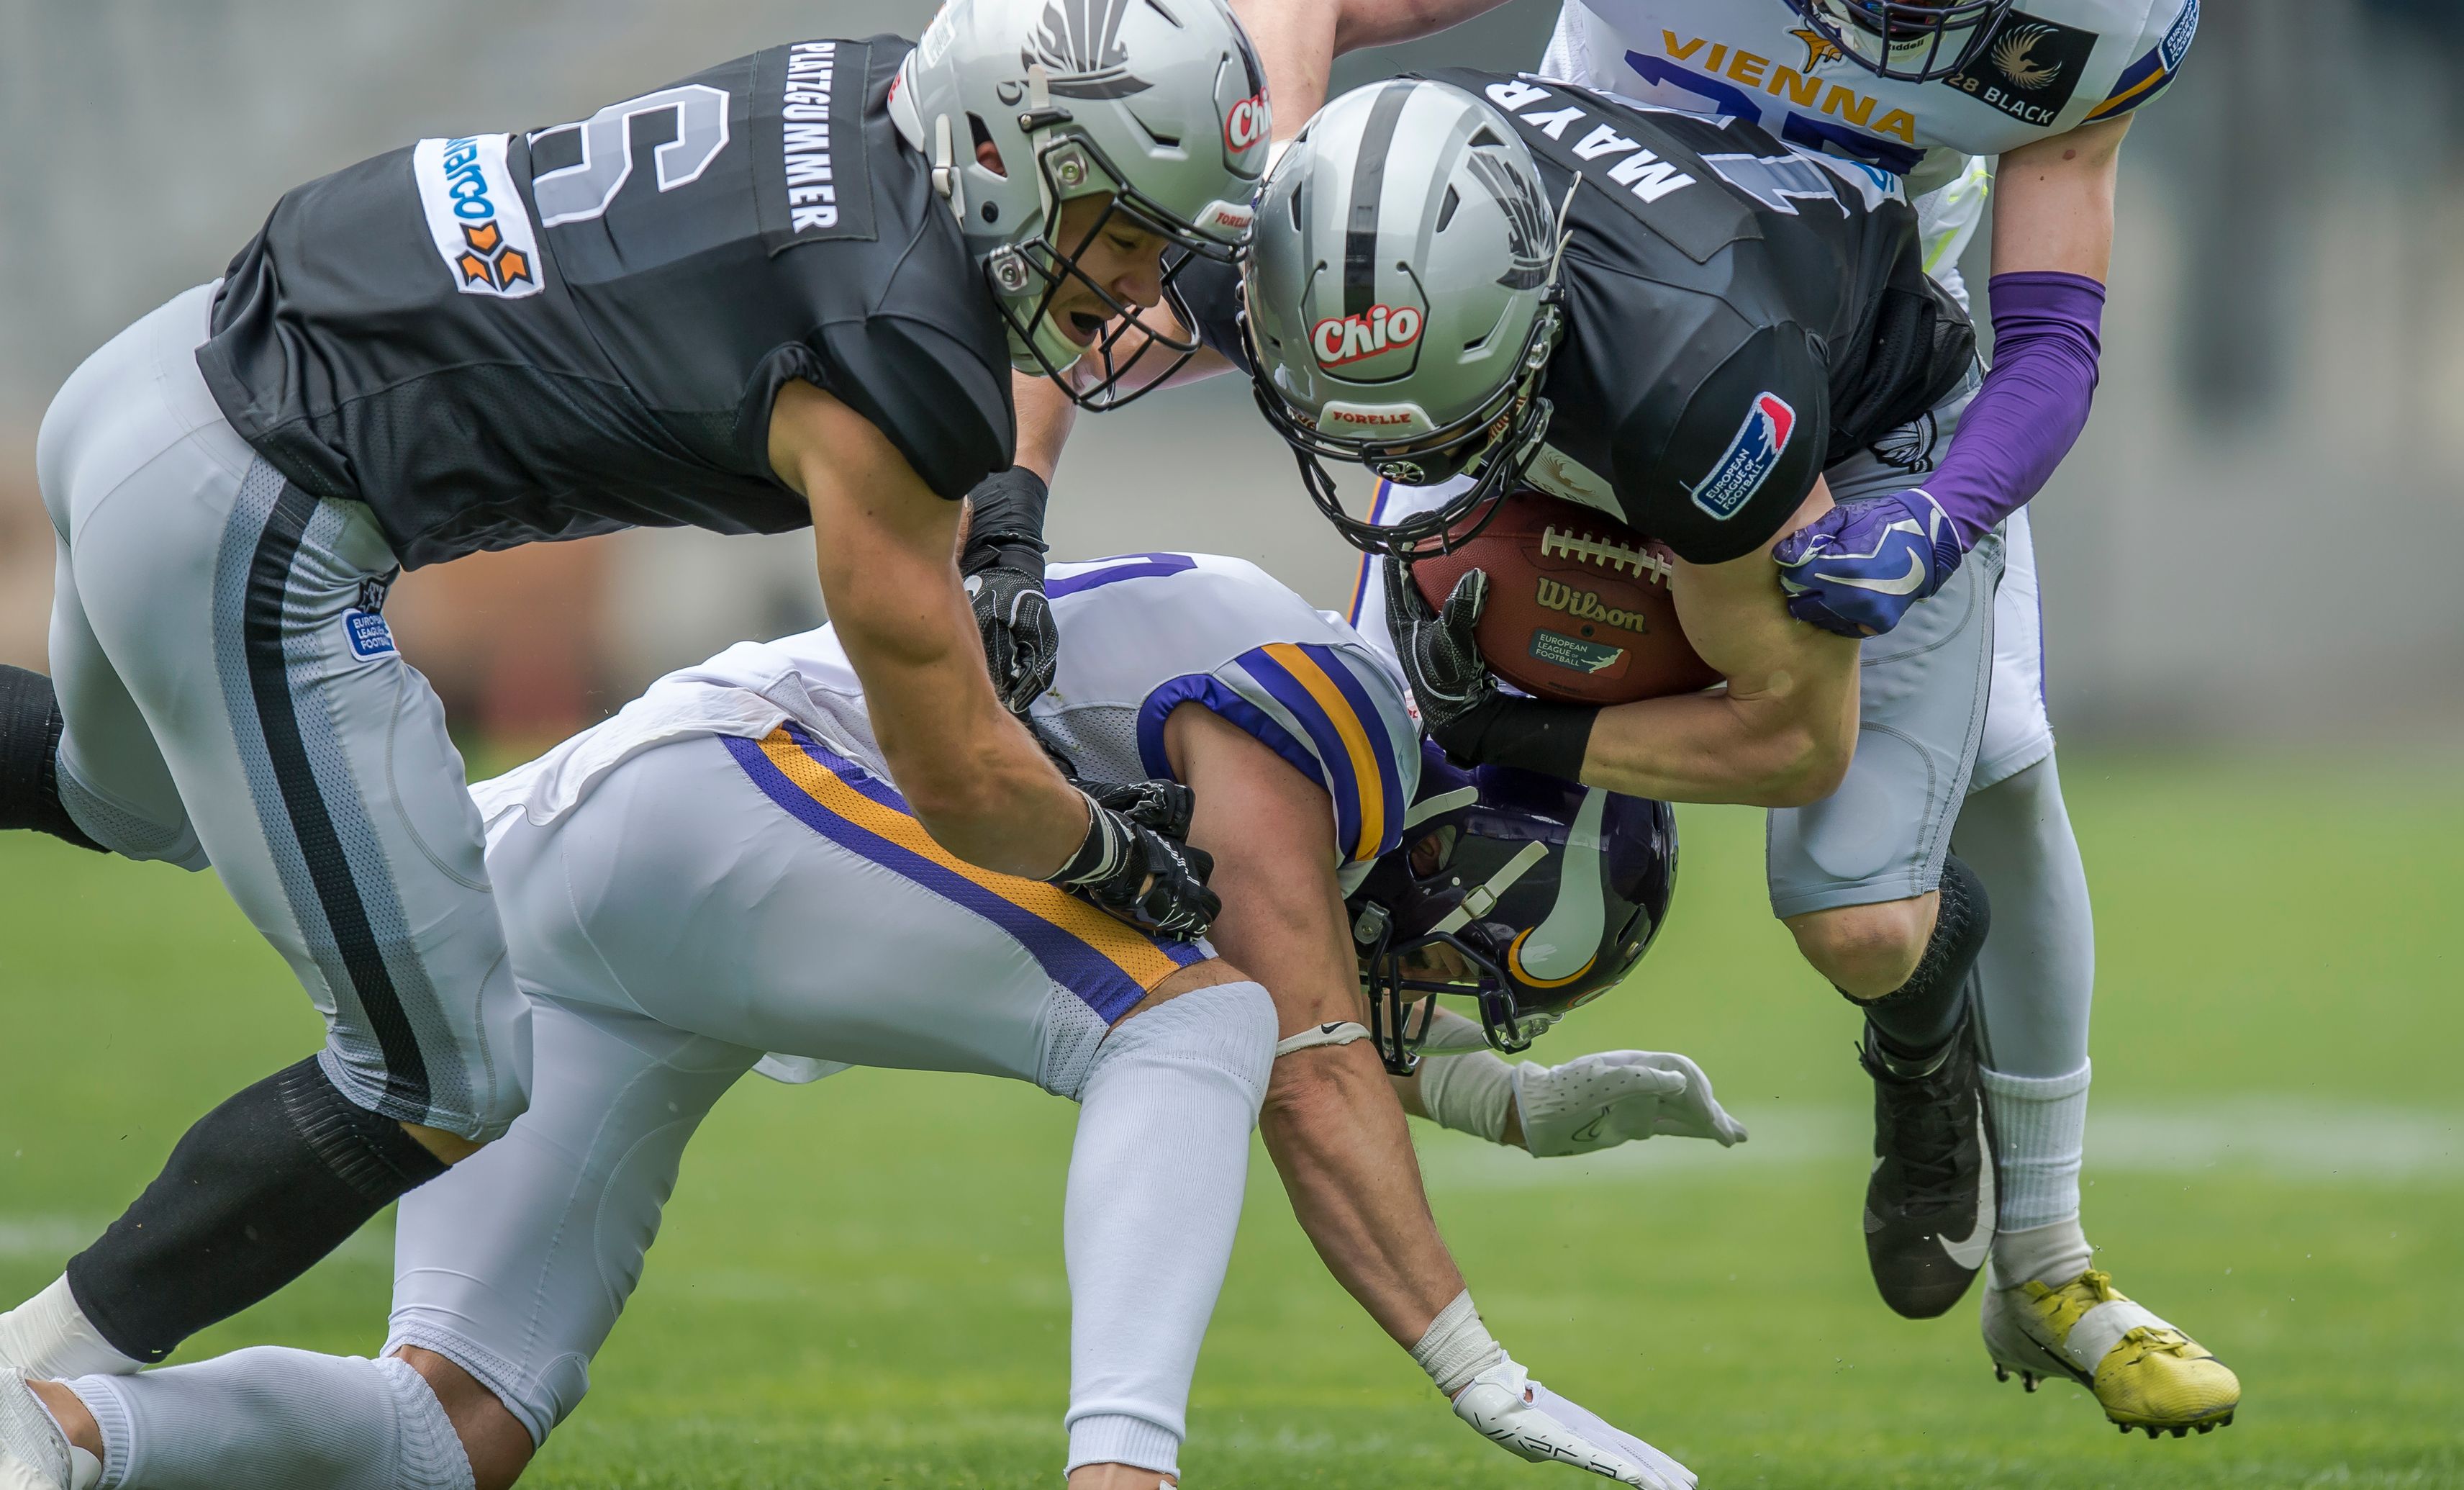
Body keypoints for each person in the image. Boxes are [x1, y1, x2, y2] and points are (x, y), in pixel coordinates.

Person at [0, 0, 1249, 1397]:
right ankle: (35, 1372)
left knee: (123, 795)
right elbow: (960, 776)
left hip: (151, 376)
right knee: (441, 1072)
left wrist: (995, 527)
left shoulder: (865, 93)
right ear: (999, 159)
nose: (1139, 273)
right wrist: (1108, 848)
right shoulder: (893, 351)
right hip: (253, 516)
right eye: (1119, 226)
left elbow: (864, 292)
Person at [1214, 0, 2226, 1432]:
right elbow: (1313, 0)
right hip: (1538, 337)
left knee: (1950, 792)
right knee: (1375, 800)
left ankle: (2046, 1247)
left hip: (1838, 380)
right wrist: (1288, 226)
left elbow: (2056, 333)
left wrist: (1937, 512)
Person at [0, 548, 1721, 1490]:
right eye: (1460, 962)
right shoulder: (1329, 703)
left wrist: (1499, 1106)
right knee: (1185, 1024)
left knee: (444, 1425)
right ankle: (1123, 1474)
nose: (1439, 1005)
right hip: (712, 797)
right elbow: (1296, 1038)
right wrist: (1469, 1359)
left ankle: (61, 1432)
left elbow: (1332, 1008)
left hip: (632, 885)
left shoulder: (1313, 723)